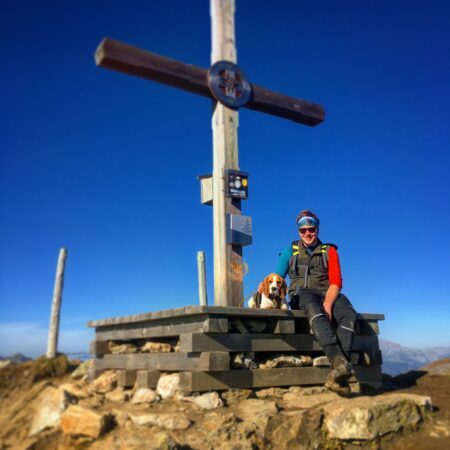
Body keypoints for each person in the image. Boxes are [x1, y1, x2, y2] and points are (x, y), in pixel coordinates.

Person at [274, 209, 357, 394]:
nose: (307, 234)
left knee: (349, 315)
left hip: (327, 293)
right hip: (301, 294)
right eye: (303, 231)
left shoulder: (330, 250)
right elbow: (277, 278)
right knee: (313, 307)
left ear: (317, 229)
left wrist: (328, 303)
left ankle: (337, 372)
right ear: (298, 232)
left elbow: (336, 281)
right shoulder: (290, 251)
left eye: (311, 229)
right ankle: (338, 361)